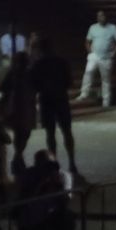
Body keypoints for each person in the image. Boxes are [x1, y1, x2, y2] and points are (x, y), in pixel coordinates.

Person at [29, 36, 78, 175]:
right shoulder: (61, 62)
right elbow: (69, 82)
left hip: (47, 100)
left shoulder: (38, 64)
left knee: (50, 133)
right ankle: (72, 162)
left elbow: (33, 85)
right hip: (61, 98)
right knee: (67, 131)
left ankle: (54, 162)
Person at [0, 49, 37, 169]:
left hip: (27, 106)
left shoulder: (30, 73)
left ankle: (18, 155)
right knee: (19, 132)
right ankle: (18, 157)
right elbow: (3, 88)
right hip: (17, 106)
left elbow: (36, 87)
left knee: (25, 132)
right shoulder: (13, 73)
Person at [77, 10, 116, 107]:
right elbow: (87, 41)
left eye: (102, 16)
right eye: (98, 16)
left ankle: (106, 100)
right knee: (88, 73)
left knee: (106, 79)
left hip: (107, 57)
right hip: (94, 56)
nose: (100, 17)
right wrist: (90, 51)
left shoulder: (112, 28)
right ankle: (84, 93)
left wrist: (115, 52)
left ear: (106, 16)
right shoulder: (93, 27)